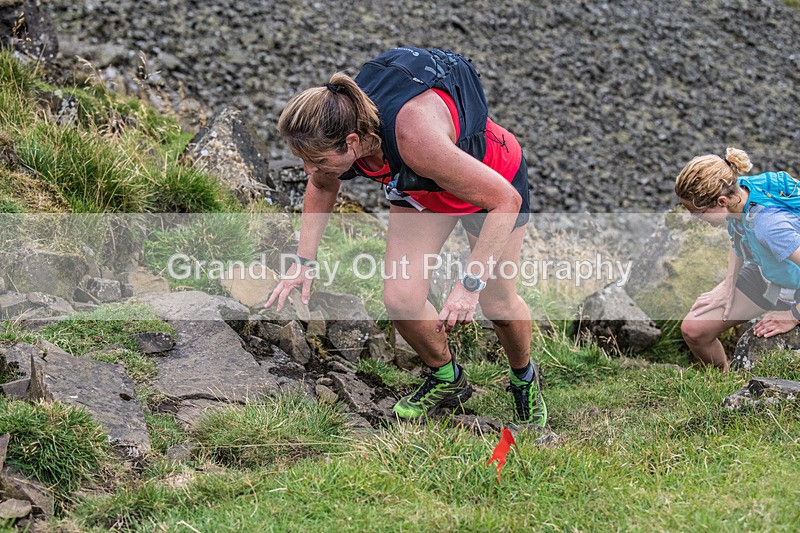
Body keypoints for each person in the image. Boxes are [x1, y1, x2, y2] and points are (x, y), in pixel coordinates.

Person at [265, 46, 547, 427]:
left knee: (497, 304)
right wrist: (303, 262)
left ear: (351, 142)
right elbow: (322, 183)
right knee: (401, 298)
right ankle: (446, 377)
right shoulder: (343, 132)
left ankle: (523, 377)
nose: (309, 169)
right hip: (424, 191)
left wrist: (469, 284)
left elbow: (505, 201)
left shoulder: (414, 136)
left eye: (316, 159)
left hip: (492, 181)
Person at [676, 147, 800, 372]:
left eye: (697, 212)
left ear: (722, 201)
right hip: (771, 275)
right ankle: (721, 382)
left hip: (795, 288)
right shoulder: (739, 190)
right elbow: (739, 233)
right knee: (694, 330)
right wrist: (728, 285)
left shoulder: (770, 226)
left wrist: (794, 315)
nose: (693, 218)